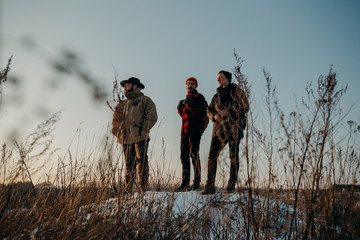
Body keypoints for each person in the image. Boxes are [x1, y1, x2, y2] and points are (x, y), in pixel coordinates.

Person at [202, 70, 249, 194]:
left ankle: (230, 187)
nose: (218, 79)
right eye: (217, 78)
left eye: (221, 77)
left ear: (228, 78)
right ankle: (209, 187)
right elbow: (209, 110)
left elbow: (245, 106)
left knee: (233, 157)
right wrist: (214, 116)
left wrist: (228, 112)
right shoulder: (216, 96)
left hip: (234, 128)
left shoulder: (237, 91)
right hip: (219, 130)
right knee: (212, 155)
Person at [112, 77, 157, 192]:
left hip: (140, 137)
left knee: (141, 162)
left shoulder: (145, 100)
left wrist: (142, 129)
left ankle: (143, 189)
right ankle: (128, 190)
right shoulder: (122, 103)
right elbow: (115, 119)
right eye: (124, 86)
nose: (125, 87)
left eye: (127, 85)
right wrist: (117, 132)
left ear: (135, 86)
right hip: (125, 138)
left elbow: (152, 116)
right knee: (128, 164)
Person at [176, 77, 208, 191]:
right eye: (188, 83)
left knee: (194, 155)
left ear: (196, 86)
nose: (190, 85)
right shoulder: (186, 98)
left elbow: (200, 112)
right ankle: (185, 183)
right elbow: (184, 116)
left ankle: (196, 183)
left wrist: (190, 105)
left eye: (192, 84)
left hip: (195, 131)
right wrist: (180, 108)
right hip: (184, 131)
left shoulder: (199, 97)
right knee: (183, 157)